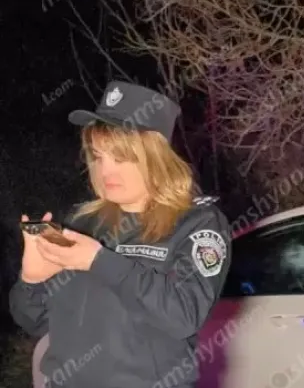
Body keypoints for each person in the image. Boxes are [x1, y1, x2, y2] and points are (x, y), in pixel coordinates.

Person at [9, 81, 232, 388]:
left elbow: (183, 315)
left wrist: (99, 261)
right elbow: (35, 321)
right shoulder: (82, 222)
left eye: (121, 158)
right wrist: (31, 281)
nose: (106, 171)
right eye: (98, 156)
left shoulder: (197, 223)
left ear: (156, 158)